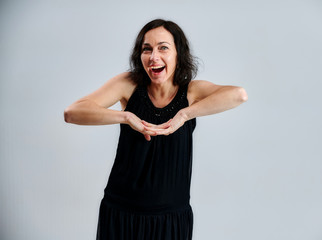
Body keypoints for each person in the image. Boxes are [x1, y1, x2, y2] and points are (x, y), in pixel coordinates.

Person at [64, 19, 248, 240]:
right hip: (121, 212)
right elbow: (72, 112)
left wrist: (185, 114)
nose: (153, 57)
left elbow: (239, 95)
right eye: (146, 49)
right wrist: (125, 116)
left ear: (178, 54)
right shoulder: (128, 85)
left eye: (163, 48)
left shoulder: (191, 92)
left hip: (170, 219)